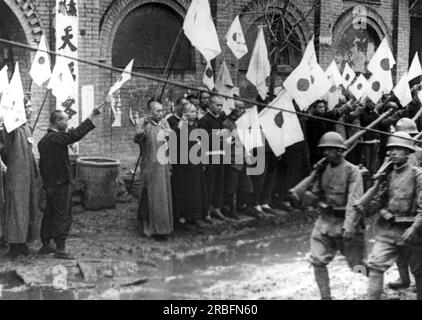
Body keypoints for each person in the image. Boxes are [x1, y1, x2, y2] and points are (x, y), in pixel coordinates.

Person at [290, 132, 365, 300]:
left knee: (358, 266)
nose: (325, 153)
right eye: (324, 150)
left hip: (345, 225)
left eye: (330, 150)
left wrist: (350, 224)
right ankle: (326, 297)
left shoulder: (353, 171)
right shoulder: (322, 169)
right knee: (317, 260)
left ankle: (376, 281)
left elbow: (354, 201)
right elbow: (316, 193)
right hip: (324, 222)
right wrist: (302, 198)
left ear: (340, 151)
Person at [364, 132, 422, 300]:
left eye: (399, 149)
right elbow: (378, 203)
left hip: (413, 233)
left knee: (419, 271)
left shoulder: (417, 175)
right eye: (391, 149)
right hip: (388, 232)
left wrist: (414, 228)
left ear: (408, 153)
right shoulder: (387, 175)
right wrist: (372, 188)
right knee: (375, 266)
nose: (393, 152)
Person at [38, 107, 100, 259]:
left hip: (51, 184)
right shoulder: (55, 138)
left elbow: (43, 166)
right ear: (58, 122)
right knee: (63, 214)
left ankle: (46, 244)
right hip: (60, 184)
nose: (67, 122)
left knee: (49, 213)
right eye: (65, 119)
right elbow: (75, 135)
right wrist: (91, 115)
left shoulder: (43, 141)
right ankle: (60, 247)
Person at [0, 98, 39, 258]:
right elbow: (4, 149)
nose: (31, 110)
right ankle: (14, 245)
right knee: (16, 209)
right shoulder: (11, 129)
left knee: (28, 208)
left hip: (28, 174)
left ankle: (23, 242)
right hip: (16, 176)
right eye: (28, 107)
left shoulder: (26, 128)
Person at [134, 99, 173, 239]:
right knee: (149, 196)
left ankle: (164, 228)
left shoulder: (164, 124)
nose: (161, 113)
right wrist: (139, 127)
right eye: (157, 111)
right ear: (150, 112)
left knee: (163, 197)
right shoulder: (146, 126)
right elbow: (137, 138)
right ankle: (149, 226)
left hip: (163, 165)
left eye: (162, 110)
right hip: (150, 166)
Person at [172, 102, 209, 227]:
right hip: (184, 165)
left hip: (196, 163)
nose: (195, 113)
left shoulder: (195, 126)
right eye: (192, 111)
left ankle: (196, 215)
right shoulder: (180, 127)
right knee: (185, 190)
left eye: (195, 111)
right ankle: (185, 216)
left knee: (197, 190)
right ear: (185, 113)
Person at [221, 99, 254, 220]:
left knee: (246, 185)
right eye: (240, 108)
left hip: (243, 158)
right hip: (233, 160)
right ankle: (231, 209)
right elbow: (225, 143)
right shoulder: (227, 124)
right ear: (234, 110)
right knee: (231, 187)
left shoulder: (243, 122)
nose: (242, 111)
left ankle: (244, 207)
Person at [199, 95, 227, 221]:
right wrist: (217, 134)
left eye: (221, 105)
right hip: (209, 156)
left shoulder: (221, 119)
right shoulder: (204, 120)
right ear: (210, 105)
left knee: (219, 183)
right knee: (209, 184)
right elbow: (201, 138)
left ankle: (217, 208)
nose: (220, 107)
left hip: (220, 155)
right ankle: (206, 211)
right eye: (217, 105)